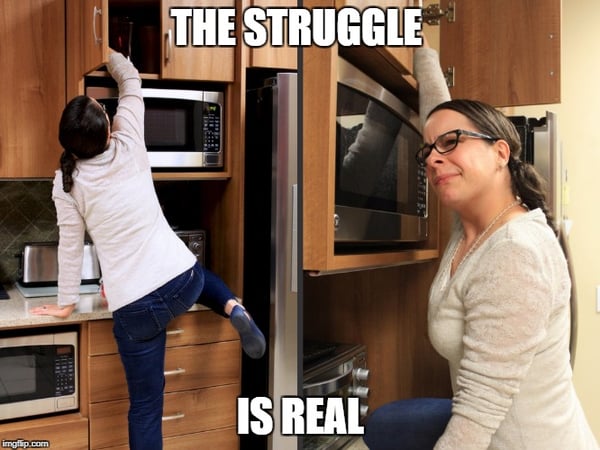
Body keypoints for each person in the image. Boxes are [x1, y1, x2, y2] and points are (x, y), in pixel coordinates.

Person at [364, 46, 599, 449]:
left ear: (500, 153)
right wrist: (420, 46)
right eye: (428, 150)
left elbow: (476, 414)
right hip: (499, 419)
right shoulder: (476, 220)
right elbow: (441, 109)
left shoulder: (515, 253)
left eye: (451, 143)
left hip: (526, 442)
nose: (434, 159)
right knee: (382, 425)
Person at [30, 50, 266, 450]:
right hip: (180, 280)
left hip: (136, 307)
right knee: (200, 274)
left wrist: (65, 303)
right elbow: (131, 80)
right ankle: (234, 309)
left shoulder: (66, 183)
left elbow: (70, 247)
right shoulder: (129, 139)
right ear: (107, 128)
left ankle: (232, 309)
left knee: (145, 407)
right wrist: (103, 50)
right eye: (100, 110)